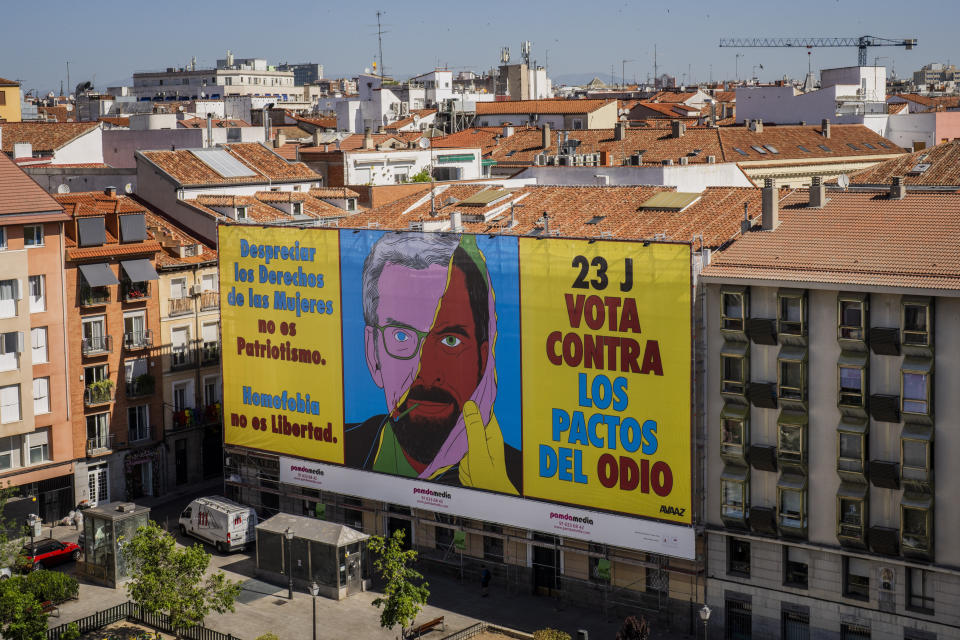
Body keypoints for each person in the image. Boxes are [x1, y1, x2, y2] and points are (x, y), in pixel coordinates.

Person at [345, 234, 521, 494]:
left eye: (450, 340)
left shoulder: (518, 476)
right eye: (401, 336)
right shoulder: (341, 447)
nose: (426, 373)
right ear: (373, 354)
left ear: (484, 360)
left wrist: (501, 495)